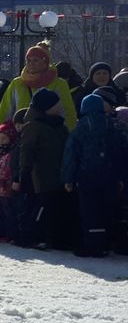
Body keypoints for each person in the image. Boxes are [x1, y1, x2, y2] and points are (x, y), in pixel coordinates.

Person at [63, 93, 126, 256]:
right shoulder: (113, 126)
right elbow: (120, 153)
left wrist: (68, 178)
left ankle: (93, 245)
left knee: (89, 211)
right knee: (107, 209)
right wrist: (120, 177)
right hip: (110, 175)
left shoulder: (80, 127)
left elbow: (71, 155)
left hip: (86, 176)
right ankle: (108, 243)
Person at [0, 41, 77, 143]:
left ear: (45, 62)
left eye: (35, 60)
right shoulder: (17, 84)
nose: (31, 64)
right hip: (22, 138)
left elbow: (68, 113)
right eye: (28, 60)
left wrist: (64, 137)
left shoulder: (59, 84)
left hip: (50, 140)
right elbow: (4, 112)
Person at [17, 89, 69, 250]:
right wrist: (24, 171)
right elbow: (27, 151)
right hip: (40, 175)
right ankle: (34, 236)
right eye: (56, 103)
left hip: (58, 172)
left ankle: (54, 237)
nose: (59, 105)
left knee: (55, 207)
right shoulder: (33, 126)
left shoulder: (60, 126)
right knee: (41, 206)